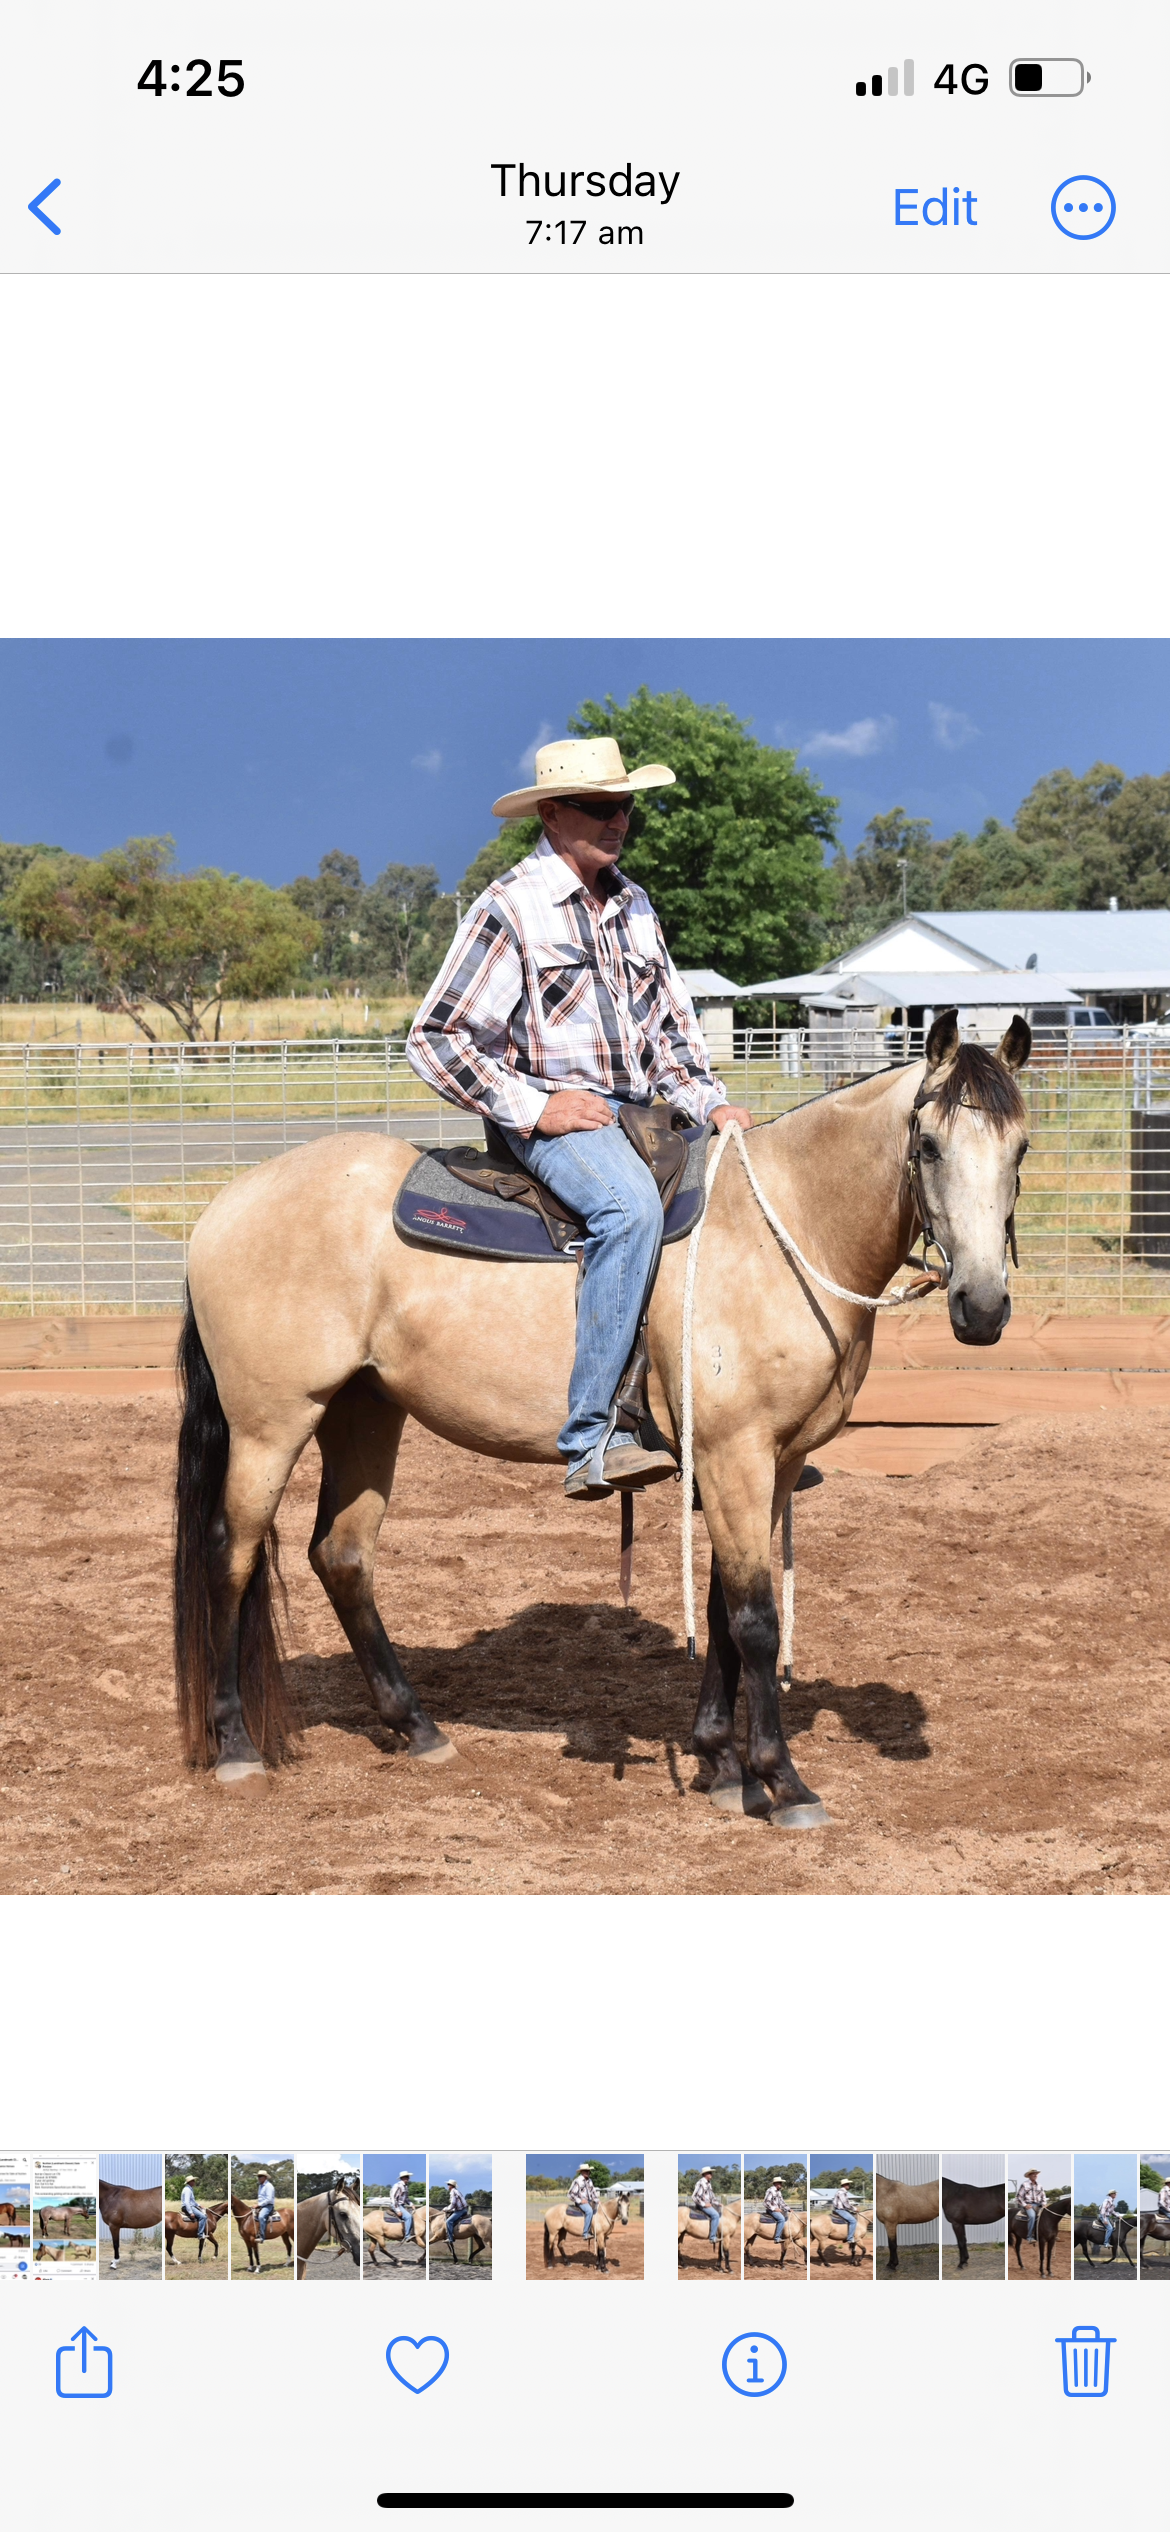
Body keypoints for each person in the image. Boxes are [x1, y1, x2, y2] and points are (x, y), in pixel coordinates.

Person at [407, 737, 752, 1499]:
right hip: (561, 1121)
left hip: (647, 1115)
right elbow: (435, 1039)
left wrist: (712, 1102)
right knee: (629, 1211)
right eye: (599, 807)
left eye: (624, 806)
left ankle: (720, 1422)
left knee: (740, 1199)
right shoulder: (510, 906)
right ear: (553, 815)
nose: (617, 820)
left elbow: (671, 1035)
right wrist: (537, 1107)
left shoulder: (635, 905)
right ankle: (595, 1436)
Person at [567, 2164, 600, 2238]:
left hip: (590, 2201)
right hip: (581, 2202)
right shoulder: (578, 2181)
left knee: (600, 2209)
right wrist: (580, 2201)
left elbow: (593, 2192)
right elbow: (570, 2194)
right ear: (581, 2172)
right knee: (589, 2211)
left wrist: (597, 2200)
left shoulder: (590, 2181)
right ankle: (585, 2233)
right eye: (586, 2171)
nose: (588, 2172)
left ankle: (598, 2232)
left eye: (588, 2171)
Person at [690, 2168, 722, 2245]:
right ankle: (712, 2237)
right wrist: (704, 2204)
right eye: (709, 2173)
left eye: (711, 2173)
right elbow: (694, 2196)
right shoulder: (701, 2183)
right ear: (704, 2174)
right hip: (702, 2205)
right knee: (715, 2215)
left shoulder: (709, 2183)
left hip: (708, 2204)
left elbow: (711, 2197)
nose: (711, 2174)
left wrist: (718, 2203)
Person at [1017, 2170, 1045, 2242]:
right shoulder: (1024, 2184)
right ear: (1029, 2175)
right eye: (1033, 2174)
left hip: (1039, 2204)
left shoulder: (1040, 2185)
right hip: (1029, 2205)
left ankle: (1049, 2234)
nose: (1035, 2175)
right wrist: (1025, 2205)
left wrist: (1044, 2203)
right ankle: (1029, 2236)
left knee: (1048, 2215)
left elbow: (1043, 2196)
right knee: (1032, 2216)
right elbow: (1019, 2197)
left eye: (1036, 2174)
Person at [180, 2175, 206, 2246]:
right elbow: (187, 2202)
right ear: (190, 2182)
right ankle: (200, 2234)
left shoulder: (189, 2189)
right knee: (203, 2217)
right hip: (188, 2207)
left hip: (191, 2206)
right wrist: (191, 2212)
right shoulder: (187, 2190)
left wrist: (199, 2205)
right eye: (193, 2181)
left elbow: (192, 2201)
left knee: (203, 2213)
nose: (194, 2182)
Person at [762, 2178, 790, 2244]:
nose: (781, 2184)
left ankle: (783, 2234)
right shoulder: (771, 2190)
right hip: (771, 2210)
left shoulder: (779, 2192)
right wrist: (774, 2209)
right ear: (776, 2183)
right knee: (781, 2219)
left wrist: (788, 2209)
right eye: (780, 2183)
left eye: (781, 2183)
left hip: (777, 2210)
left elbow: (782, 2202)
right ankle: (777, 2238)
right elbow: (766, 2202)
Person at [831, 2181, 859, 2246]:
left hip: (841, 2209)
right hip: (840, 2210)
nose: (849, 2185)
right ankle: (850, 2238)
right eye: (848, 2184)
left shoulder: (842, 2192)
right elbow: (845, 2203)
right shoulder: (841, 2192)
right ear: (844, 2185)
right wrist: (855, 2209)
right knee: (853, 2221)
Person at [444, 2180, 470, 2250]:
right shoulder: (457, 2191)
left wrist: (446, 2209)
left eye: (448, 2184)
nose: (447, 2186)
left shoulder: (453, 2192)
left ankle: (450, 2238)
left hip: (460, 2211)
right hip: (463, 2209)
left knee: (448, 2221)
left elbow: (453, 2203)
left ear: (451, 2186)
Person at [390, 2171, 416, 2241]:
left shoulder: (406, 2187)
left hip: (402, 2205)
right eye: (406, 2177)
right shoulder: (397, 2185)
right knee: (408, 2217)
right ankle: (407, 2236)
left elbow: (406, 2198)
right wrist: (397, 2210)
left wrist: (411, 2204)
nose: (408, 2178)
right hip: (397, 2205)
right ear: (402, 2178)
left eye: (408, 2177)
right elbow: (393, 2198)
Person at [255, 2170, 276, 2243]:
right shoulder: (260, 2186)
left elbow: (269, 2199)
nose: (259, 2178)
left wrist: (259, 2205)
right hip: (261, 2205)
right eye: (258, 2176)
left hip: (268, 2205)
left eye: (260, 2176)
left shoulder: (269, 2186)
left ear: (265, 2177)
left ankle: (262, 2237)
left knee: (261, 2216)